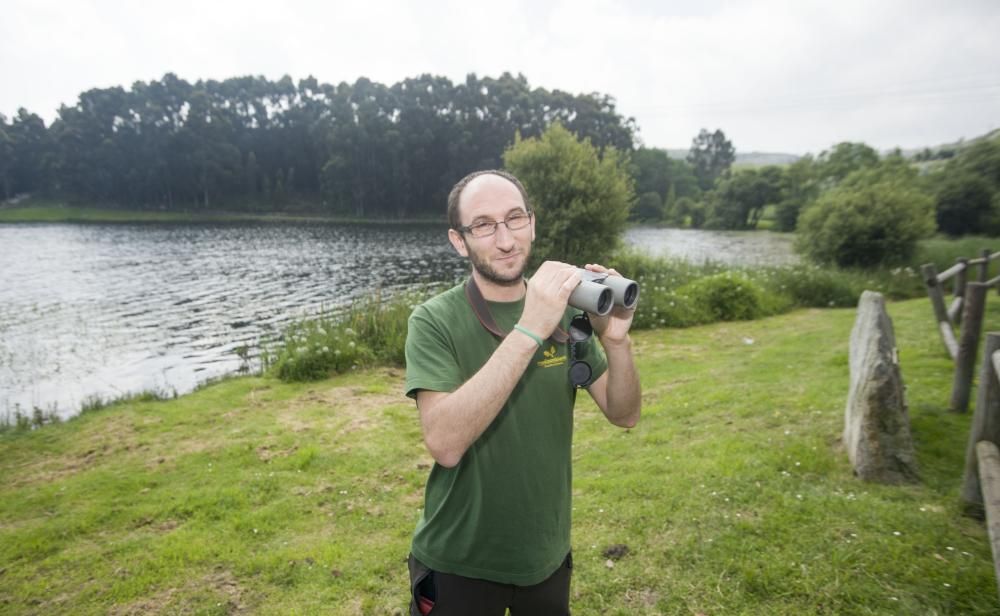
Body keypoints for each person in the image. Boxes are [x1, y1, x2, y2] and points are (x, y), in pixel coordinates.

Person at [404, 169, 641, 615]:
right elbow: (445, 443)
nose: (506, 239)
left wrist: (617, 339)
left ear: (532, 223)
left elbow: (623, 412)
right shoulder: (433, 321)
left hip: (546, 556)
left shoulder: (571, 313)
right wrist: (532, 326)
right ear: (459, 241)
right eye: (484, 225)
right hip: (460, 561)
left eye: (514, 219)